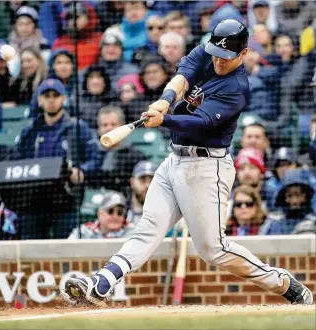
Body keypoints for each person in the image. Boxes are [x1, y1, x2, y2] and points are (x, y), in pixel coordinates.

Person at [63, 19, 313, 306]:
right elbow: (184, 74)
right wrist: (166, 99)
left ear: (243, 54)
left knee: (214, 250)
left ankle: (283, 284)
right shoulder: (210, 51)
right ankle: (101, 283)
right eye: (216, 54)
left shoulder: (237, 87)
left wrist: (164, 119)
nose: (219, 60)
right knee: (148, 227)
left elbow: (201, 122)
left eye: (227, 57)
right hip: (175, 160)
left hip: (207, 168)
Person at [14, 78, 99, 239]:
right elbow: (18, 160)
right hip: (35, 200)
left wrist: (80, 171)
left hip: (66, 199)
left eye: (56, 95)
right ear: (39, 100)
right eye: (47, 96)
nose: (51, 100)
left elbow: (94, 159)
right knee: (31, 249)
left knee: (66, 248)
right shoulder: (30, 130)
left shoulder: (77, 127)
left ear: (64, 99)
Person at [92, 106, 147, 197]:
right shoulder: (93, 154)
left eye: (113, 124)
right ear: (99, 129)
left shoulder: (135, 155)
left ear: (122, 127)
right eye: (105, 125)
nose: (109, 128)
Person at [260, 169, 315, 235]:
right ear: (283, 198)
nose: (294, 201)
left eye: (298, 195)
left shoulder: (313, 222)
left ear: (306, 196)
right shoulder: (273, 223)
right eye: (289, 196)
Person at [52, 2, 101, 71]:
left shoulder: (99, 39)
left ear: (88, 18)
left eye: (77, 17)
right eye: (70, 18)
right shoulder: (60, 42)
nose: (73, 21)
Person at [68, 191, 135, 239]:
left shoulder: (132, 233)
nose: (115, 216)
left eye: (120, 213)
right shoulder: (83, 232)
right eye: (110, 211)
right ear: (99, 213)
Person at [69, 64, 118, 129]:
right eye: (91, 77)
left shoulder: (114, 98)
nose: (95, 81)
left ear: (105, 81)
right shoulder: (76, 99)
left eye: (99, 77)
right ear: (86, 81)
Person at [126, 161, 158, 225]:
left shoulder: (169, 215)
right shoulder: (120, 213)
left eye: (152, 181)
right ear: (132, 182)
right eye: (143, 180)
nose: (147, 185)